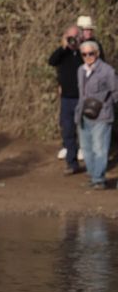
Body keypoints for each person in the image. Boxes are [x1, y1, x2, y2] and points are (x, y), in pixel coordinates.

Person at [78, 40, 117, 190]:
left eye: (91, 53)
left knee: (100, 147)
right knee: (87, 148)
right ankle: (94, 175)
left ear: (97, 53)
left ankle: (99, 178)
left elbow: (115, 92)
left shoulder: (107, 71)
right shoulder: (80, 70)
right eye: (84, 54)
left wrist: (106, 105)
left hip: (102, 115)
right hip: (84, 115)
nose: (88, 56)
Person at [49, 24, 84, 174]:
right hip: (66, 99)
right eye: (70, 37)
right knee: (68, 131)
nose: (73, 40)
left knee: (84, 131)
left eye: (76, 36)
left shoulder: (85, 53)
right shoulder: (63, 54)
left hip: (82, 98)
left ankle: (91, 162)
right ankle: (72, 163)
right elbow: (51, 61)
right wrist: (63, 47)